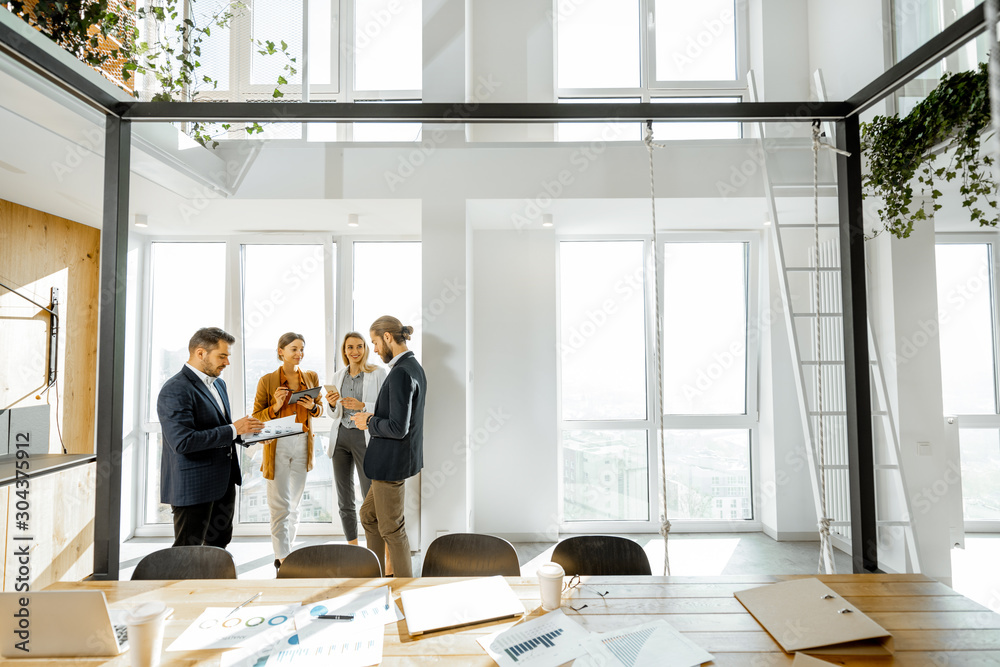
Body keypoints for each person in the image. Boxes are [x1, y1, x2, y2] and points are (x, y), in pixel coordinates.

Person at [158, 327, 263, 549]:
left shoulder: (219, 384)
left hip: (224, 483)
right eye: (222, 356)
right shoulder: (175, 389)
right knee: (188, 553)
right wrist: (234, 430)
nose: (227, 362)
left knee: (218, 546)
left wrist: (248, 435)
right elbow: (183, 442)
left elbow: (220, 428)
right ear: (200, 353)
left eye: (228, 356)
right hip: (193, 487)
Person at [352, 316, 426, 578]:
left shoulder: (401, 373)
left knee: (393, 529)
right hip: (392, 462)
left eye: (374, 342)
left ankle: (404, 588)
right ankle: (377, 575)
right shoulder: (412, 366)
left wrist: (369, 421)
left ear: (387, 338)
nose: (374, 349)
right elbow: (399, 415)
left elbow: (397, 427)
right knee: (368, 516)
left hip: (390, 464)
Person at [252, 332, 324, 572]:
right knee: (280, 505)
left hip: (303, 442)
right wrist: (275, 406)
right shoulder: (267, 381)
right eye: (294, 349)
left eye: (302, 349)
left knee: (294, 504)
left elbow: (320, 409)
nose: (299, 354)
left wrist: (313, 406)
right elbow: (256, 418)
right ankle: (282, 558)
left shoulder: (311, 377)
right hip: (279, 445)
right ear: (280, 351)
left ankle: (288, 551)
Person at [325, 333, 387, 547]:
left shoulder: (378, 373)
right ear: (344, 350)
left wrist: (362, 406)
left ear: (365, 349)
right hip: (341, 436)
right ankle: (353, 547)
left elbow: (385, 407)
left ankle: (376, 547)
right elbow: (333, 414)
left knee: (371, 496)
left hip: (364, 437)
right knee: (344, 499)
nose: (355, 351)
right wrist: (332, 405)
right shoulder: (338, 376)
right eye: (350, 347)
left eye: (359, 346)